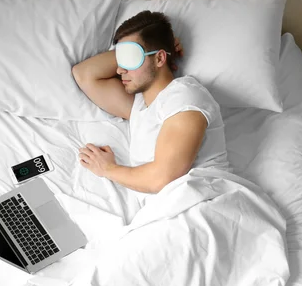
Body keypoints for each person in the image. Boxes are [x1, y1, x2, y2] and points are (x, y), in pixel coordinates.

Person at [72, 11, 230, 198]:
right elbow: (85, 74)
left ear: (160, 59)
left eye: (129, 59)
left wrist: (108, 168)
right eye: (120, 58)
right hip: (166, 214)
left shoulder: (185, 95)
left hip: (203, 205)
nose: (120, 69)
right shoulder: (138, 107)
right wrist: (145, 49)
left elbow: (163, 178)